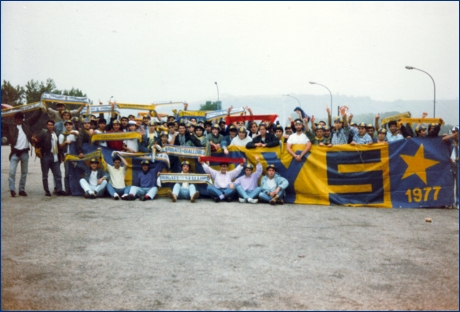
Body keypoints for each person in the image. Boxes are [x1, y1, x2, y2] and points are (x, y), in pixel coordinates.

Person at [4, 110, 42, 197]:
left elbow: (34, 117)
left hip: (25, 152)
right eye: (17, 118)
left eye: (20, 118)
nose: (19, 120)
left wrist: (39, 109)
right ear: (14, 119)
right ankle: (12, 189)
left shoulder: (26, 124)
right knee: (12, 172)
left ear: (22, 118)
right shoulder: (10, 126)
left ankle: (22, 189)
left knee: (24, 172)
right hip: (14, 153)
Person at [32, 119, 66, 196]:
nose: (50, 126)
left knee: (58, 174)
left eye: (51, 125)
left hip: (55, 156)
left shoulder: (55, 134)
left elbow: (58, 146)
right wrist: (35, 139)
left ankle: (59, 189)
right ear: (47, 126)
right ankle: (47, 190)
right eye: (49, 125)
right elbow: (37, 139)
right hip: (46, 156)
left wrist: (61, 155)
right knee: (45, 175)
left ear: (53, 126)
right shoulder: (44, 133)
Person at [58, 119, 79, 194]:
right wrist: (65, 142)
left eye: (70, 124)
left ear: (72, 125)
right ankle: (67, 189)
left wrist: (74, 133)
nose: (68, 126)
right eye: (66, 125)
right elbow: (60, 146)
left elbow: (79, 136)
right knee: (67, 173)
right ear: (65, 126)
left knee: (75, 172)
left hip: (75, 156)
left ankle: (75, 188)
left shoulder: (75, 132)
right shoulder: (62, 135)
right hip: (66, 155)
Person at [442, 126, 459, 208]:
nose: (454, 133)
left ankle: (458, 202)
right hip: (452, 163)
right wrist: (452, 135)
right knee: (450, 183)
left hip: (458, 162)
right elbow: (443, 139)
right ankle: (451, 201)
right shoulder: (452, 140)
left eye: (455, 132)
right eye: (453, 131)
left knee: (458, 184)